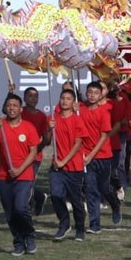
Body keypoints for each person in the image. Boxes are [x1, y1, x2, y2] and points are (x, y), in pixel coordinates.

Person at [0, 92, 41, 256]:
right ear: (5, 108)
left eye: (15, 106)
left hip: (24, 176)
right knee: (10, 213)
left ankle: (29, 234)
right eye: (9, 106)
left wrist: (20, 169)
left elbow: (33, 152)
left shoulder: (28, 127)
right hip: (4, 177)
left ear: (20, 109)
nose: (12, 108)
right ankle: (19, 241)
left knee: (21, 208)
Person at [49, 87, 89, 242]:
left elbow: (78, 144)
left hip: (73, 166)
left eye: (68, 98)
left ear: (73, 102)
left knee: (75, 200)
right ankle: (64, 223)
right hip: (57, 167)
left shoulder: (77, 120)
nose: (64, 101)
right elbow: (47, 140)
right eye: (63, 98)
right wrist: (49, 129)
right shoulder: (53, 118)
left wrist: (63, 161)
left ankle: (80, 228)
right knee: (55, 194)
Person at [82, 80, 123, 230]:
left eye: (96, 93)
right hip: (87, 158)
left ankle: (115, 204)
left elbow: (104, 137)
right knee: (91, 189)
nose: (92, 96)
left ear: (101, 95)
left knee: (104, 188)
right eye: (90, 93)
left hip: (103, 156)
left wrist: (91, 155)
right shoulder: (80, 109)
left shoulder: (104, 112)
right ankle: (94, 224)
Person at [20, 86, 51, 215]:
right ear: (24, 98)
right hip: (19, 154)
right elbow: (5, 110)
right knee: (21, 183)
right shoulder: (19, 113)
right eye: (30, 96)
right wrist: (10, 93)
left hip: (35, 156)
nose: (33, 99)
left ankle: (26, 208)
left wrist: (37, 150)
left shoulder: (42, 116)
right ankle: (38, 197)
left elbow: (46, 140)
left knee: (28, 183)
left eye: (35, 96)